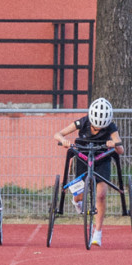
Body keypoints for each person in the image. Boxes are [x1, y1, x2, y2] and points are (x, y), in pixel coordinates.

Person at [53, 97, 124, 248]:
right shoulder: (83, 122)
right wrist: (63, 140)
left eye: (100, 128)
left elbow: (121, 149)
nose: (97, 130)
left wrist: (114, 144)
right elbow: (58, 134)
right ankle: (76, 201)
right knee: (78, 194)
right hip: (83, 159)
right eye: (95, 127)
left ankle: (97, 232)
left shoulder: (111, 127)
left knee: (101, 194)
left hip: (101, 159)